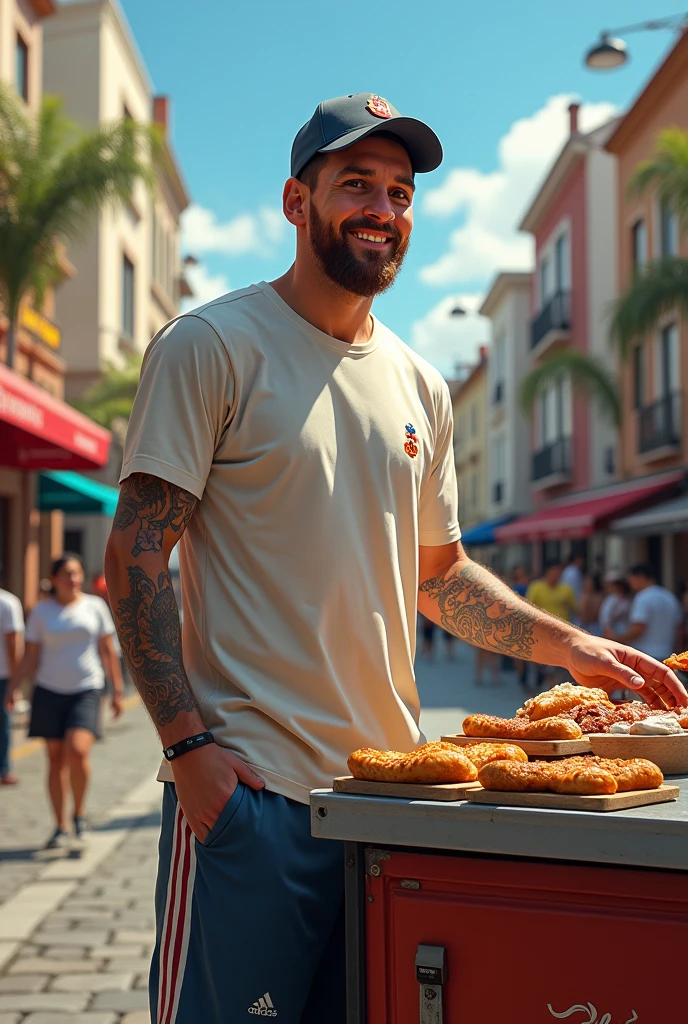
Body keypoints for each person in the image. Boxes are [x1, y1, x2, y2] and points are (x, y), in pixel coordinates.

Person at [103, 92, 687, 1024]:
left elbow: (441, 574)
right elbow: (134, 561)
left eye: (401, 192)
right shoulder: (212, 347)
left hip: (387, 804)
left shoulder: (419, 382)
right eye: (356, 185)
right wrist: (188, 752)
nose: (382, 208)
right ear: (298, 202)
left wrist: (568, 648)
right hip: (253, 801)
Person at [7, 555, 124, 849]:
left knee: (77, 750)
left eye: (76, 573)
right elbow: (31, 655)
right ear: (54, 578)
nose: (72, 579)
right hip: (48, 690)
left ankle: (80, 813)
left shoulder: (95, 607)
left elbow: (108, 651)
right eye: (66, 574)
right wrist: (13, 688)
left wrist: (118, 690)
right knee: (55, 759)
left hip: (86, 688)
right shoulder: (42, 612)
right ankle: (60, 825)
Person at [607, 563, 684, 664]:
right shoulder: (669, 597)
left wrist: (617, 640)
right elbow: (679, 629)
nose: (630, 584)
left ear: (640, 577)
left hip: (645, 655)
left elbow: (638, 628)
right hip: (668, 655)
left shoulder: (642, 598)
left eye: (631, 580)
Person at [526, 561, 579, 685]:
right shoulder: (536, 587)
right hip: (542, 632)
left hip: (563, 633)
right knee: (542, 663)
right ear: (547, 573)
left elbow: (576, 608)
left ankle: (555, 685)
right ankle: (540, 682)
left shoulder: (566, 590)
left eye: (558, 572)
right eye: (554, 572)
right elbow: (528, 607)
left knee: (560, 663)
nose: (556, 575)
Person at [0, 586, 24, 785]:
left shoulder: (7, 602)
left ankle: (3, 769)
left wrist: (15, 682)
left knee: (3, 724)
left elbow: (13, 643)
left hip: (3, 674)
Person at [599, 572, 632, 638]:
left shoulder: (626, 599)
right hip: (614, 633)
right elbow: (605, 618)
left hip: (625, 632)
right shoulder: (611, 599)